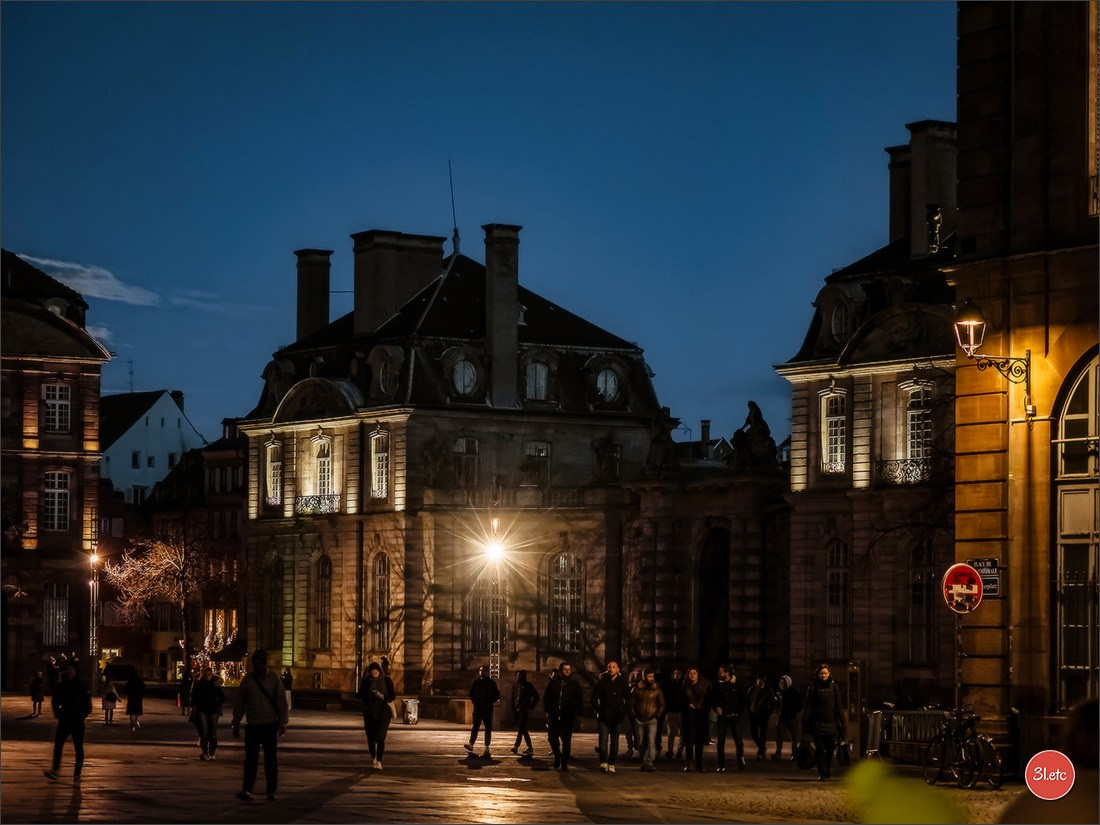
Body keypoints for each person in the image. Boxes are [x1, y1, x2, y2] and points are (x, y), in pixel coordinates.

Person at [231, 649, 289, 802]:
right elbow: (240, 703)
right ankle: (248, 789)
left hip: (270, 724)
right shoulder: (248, 680)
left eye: (260, 664)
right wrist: (236, 722)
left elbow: (281, 702)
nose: (258, 667)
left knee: (270, 760)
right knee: (251, 760)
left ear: (265, 663)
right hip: (253, 725)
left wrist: (283, 722)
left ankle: (270, 791)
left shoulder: (273, 679)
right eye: (256, 664)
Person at [43, 660, 92, 782]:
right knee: (58, 745)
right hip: (64, 720)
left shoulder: (82, 685)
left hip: (77, 722)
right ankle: (55, 770)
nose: (69, 671)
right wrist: (58, 714)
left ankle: (77, 774)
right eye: (68, 669)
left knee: (78, 748)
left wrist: (81, 716)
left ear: (75, 671)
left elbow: (88, 706)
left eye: (71, 669)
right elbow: (54, 701)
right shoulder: (61, 685)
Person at [801, 663, 846, 781]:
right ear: (817, 674)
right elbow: (809, 706)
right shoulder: (813, 688)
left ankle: (827, 768)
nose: (823, 675)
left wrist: (843, 723)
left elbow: (839, 707)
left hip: (831, 724)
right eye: (821, 673)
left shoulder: (834, 688)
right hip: (817, 724)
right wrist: (805, 723)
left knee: (831, 749)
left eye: (825, 673)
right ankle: (822, 772)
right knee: (820, 749)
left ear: (829, 674)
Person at [544, 661, 583, 770]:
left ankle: (564, 763)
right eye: (565, 669)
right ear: (561, 671)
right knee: (552, 738)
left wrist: (579, 714)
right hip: (554, 716)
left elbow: (580, 700)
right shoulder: (553, 683)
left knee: (566, 741)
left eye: (569, 669)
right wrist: (548, 710)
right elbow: (547, 698)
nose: (567, 671)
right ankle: (557, 755)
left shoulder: (574, 684)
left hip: (568, 717)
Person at [357, 661, 396, 769]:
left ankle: (379, 760)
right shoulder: (366, 681)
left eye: (376, 671)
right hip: (369, 711)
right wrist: (370, 695)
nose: (374, 673)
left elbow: (392, 695)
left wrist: (382, 696)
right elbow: (360, 694)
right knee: (371, 737)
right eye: (372, 671)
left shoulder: (387, 680)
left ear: (379, 671)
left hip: (384, 711)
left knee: (381, 737)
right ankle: (373, 757)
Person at [593, 660, 628, 773]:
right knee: (603, 741)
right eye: (609, 667)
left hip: (617, 716)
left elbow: (629, 699)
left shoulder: (622, 682)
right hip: (604, 716)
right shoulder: (602, 682)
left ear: (617, 669)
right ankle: (603, 761)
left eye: (614, 667)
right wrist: (599, 710)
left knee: (614, 742)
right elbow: (594, 697)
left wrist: (623, 712)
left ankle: (612, 762)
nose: (611, 669)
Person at [629, 666, 665, 772]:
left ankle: (650, 763)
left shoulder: (657, 688)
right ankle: (644, 762)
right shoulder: (637, 689)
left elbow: (662, 703)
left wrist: (658, 715)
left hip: (652, 718)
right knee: (640, 742)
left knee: (651, 742)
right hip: (639, 719)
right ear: (644, 677)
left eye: (653, 676)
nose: (651, 678)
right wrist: (634, 716)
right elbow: (631, 703)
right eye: (649, 676)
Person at [713, 664, 746, 772]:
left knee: (738, 741)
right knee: (721, 741)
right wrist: (716, 707)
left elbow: (744, 699)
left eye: (721, 672)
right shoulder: (718, 684)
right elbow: (714, 698)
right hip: (723, 716)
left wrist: (738, 713)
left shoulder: (738, 683)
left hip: (735, 716)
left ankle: (741, 760)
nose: (719, 674)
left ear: (727, 673)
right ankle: (721, 764)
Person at [463, 665, 501, 757]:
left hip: (487, 709)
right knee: (475, 726)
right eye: (480, 670)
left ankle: (486, 747)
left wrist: (489, 702)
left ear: (487, 672)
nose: (481, 672)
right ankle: (471, 744)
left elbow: (497, 695)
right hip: (478, 708)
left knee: (487, 728)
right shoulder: (476, 682)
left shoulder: (491, 683)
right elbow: (471, 694)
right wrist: (475, 702)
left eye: (483, 670)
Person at [678, 666, 711, 771]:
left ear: (698, 675)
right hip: (688, 716)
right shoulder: (685, 686)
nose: (692, 675)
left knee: (699, 741)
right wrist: (688, 704)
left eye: (694, 673)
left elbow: (708, 701)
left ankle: (699, 764)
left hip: (701, 716)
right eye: (690, 673)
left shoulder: (705, 685)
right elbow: (679, 700)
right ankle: (688, 763)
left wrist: (702, 707)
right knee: (689, 740)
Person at [191, 666, 226, 760]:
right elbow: (194, 698)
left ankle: (211, 752)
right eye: (206, 675)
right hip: (203, 710)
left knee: (212, 732)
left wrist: (216, 704)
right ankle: (206, 752)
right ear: (203, 675)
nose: (207, 677)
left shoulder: (215, 684)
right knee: (205, 732)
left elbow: (223, 697)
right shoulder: (200, 684)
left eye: (209, 675)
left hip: (213, 710)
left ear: (211, 675)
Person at [747, 673, 776, 760]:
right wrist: (749, 710)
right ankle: (762, 747)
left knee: (763, 733)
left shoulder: (768, 690)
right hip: (753, 715)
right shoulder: (752, 689)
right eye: (758, 679)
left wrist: (768, 712)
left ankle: (760, 752)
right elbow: (747, 700)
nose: (760, 681)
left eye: (761, 680)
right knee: (753, 732)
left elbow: (772, 703)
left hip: (763, 715)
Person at [510, 669, 538, 756]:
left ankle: (516, 746)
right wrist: (513, 709)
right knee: (523, 729)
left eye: (520, 675)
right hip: (517, 710)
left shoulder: (528, 685)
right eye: (517, 674)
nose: (518, 676)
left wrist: (530, 707)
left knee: (521, 727)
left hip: (524, 710)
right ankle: (530, 747)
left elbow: (536, 696)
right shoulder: (515, 685)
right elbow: (513, 698)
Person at [773, 675, 802, 760]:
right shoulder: (780, 693)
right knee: (779, 736)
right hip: (782, 718)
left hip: (792, 718)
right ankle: (778, 753)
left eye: (784, 682)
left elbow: (800, 705)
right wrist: (777, 710)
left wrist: (793, 711)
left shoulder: (794, 692)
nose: (782, 684)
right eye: (781, 682)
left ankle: (794, 754)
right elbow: (777, 704)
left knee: (794, 738)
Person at [662, 667, 684, 759]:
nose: (676, 675)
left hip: (680, 712)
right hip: (671, 712)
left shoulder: (683, 686)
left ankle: (679, 751)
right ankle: (670, 750)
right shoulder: (670, 685)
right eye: (675, 673)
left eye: (678, 673)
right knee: (671, 733)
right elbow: (666, 698)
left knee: (682, 733)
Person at [622, 669, 639, 759]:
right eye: (631, 675)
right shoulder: (626, 687)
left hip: (635, 713)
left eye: (634, 676)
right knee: (628, 732)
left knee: (636, 733)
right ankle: (630, 748)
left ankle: (636, 749)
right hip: (627, 712)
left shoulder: (637, 688)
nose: (632, 677)